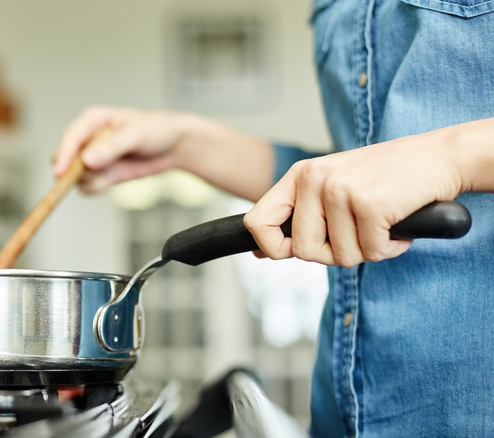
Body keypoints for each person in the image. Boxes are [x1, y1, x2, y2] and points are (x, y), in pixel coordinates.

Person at [52, 0, 494, 436]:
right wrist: (182, 143)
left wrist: (454, 157)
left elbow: (419, 165)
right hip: (347, 411)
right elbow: (354, 180)